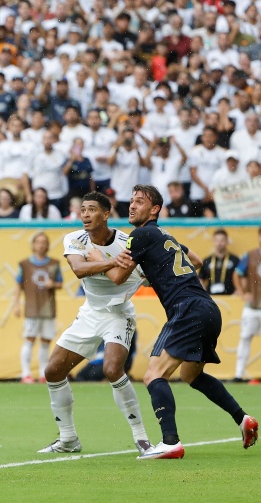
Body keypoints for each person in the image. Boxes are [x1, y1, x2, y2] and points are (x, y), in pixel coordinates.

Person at [106, 184, 258, 458]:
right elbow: (197, 261)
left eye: (139, 201)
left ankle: (170, 441)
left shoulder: (139, 235)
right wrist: (157, 273)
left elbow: (117, 277)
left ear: (154, 210)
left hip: (185, 309)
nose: (131, 205)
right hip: (208, 308)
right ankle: (242, 418)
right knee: (191, 374)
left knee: (154, 375)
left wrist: (97, 259)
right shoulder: (166, 235)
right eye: (131, 201)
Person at [38, 192, 150, 454]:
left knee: (112, 369)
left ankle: (142, 438)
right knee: (53, 371)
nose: (85, 215)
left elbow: (130, 278)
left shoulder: (127, 242)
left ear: (106, 214)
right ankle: (68, 439)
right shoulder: (74, 238)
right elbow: (78, 269)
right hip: (90, 313)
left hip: (118, 314)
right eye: (83, 210)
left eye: (91, 210)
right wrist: (110, 262)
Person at [12, 232, 63, 383]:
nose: (41, 245)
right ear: (33, 245)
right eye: (38, 242)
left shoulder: (54, 264)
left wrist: (53, 284)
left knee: (46, 340)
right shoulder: (25, 264)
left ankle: (43, 373)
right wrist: (16, 304)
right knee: (29, 339)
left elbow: (60, 283)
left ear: (47, 245)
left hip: (48, 308)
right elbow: (18, 284)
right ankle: (26, 373)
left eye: (44, 242)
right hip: (32, 307)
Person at [233, 228, 261, 382]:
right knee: (245, 338)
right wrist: (242, 292)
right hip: (252, 307)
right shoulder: (250, 256)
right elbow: (237, 273)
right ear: (258, 237)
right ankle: (238, 374)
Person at [199, 229, 239, 296]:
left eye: (222, 240)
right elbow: (200, 278)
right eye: (216, 240)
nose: (219, 243)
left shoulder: (235, 260)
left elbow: (241, 277)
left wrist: (237, 293)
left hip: (230, 298)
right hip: (211, 298)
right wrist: (204, 294)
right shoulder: (207, 261)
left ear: (227, 241)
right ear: (213, 241)